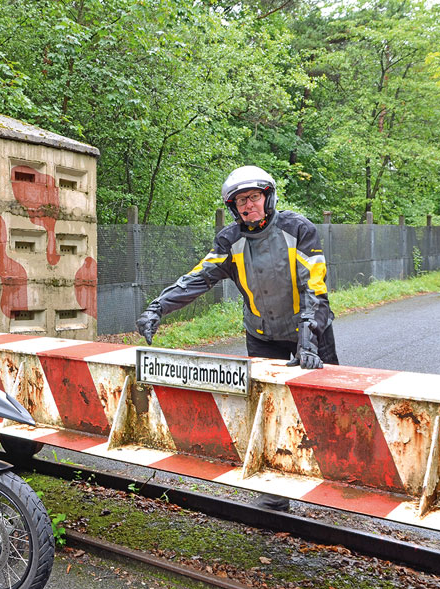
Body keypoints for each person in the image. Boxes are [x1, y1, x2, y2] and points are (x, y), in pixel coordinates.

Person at [135, 165, 339, 511]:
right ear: (233, 207)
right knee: (266, 407)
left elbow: (314, 287)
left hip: (310, 330)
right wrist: (157, 308)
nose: (248, 206)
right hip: (262, 337)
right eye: (240, 201)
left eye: (254, 197)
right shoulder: (230, 241)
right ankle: (274, 490)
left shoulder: (298, 229)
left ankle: (337, 479)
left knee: (326, 403)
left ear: (268, 196)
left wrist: (309, 338)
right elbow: (198, 278)